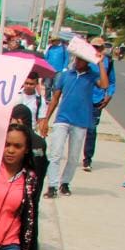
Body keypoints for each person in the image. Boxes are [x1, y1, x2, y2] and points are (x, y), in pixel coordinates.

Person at [42, 43, 109, 198]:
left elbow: (104, 84)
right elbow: (55, 98)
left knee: (73, 156)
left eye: (80, 60)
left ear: (86, 62)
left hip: (80, 121)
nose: (76, 62)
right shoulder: (66, 75)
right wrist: (46, 119)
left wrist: (99, 64)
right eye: (76, 59)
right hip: (62, 119)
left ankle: (65, 183)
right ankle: (52, 185)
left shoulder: (92, 76)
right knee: (55, 153)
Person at [82, 38, 117, 172]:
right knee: (75, 130)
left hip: (97, 99)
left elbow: (112, 81)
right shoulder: (84, 59)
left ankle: (87, 159)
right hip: (82, 98)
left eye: (98, 47)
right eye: (94, 47)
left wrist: (109, 95)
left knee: (91, 130)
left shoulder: (108, 62)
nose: (96, 50)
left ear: (102, 49)